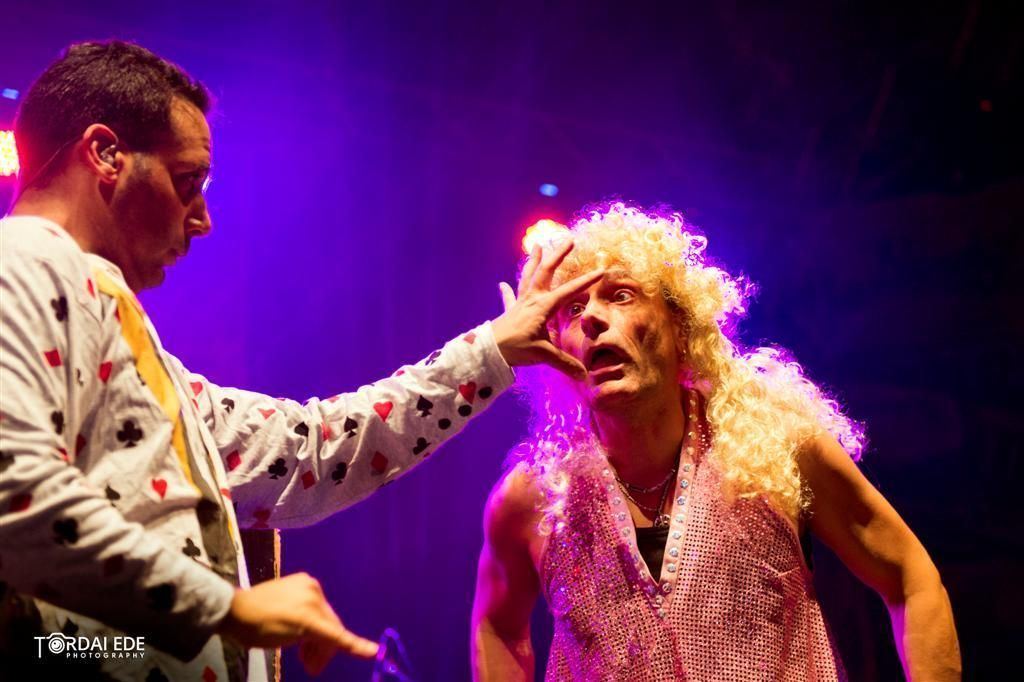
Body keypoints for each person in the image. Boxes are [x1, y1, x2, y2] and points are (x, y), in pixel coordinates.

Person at [0, 40, 602, 681]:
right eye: (188, 181)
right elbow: (14, 490)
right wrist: (227, 609)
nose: (202, 219)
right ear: (105, 154)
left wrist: (494, 349)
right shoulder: (24, 260)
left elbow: (311, 450)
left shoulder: (127, 342)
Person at [471, 203, 961, 680]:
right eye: (573, 309)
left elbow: (908, 575)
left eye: (620, 295)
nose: (591, 319)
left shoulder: (775, 444)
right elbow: (498, 629)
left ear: (680, 326)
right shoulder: (533, 498)